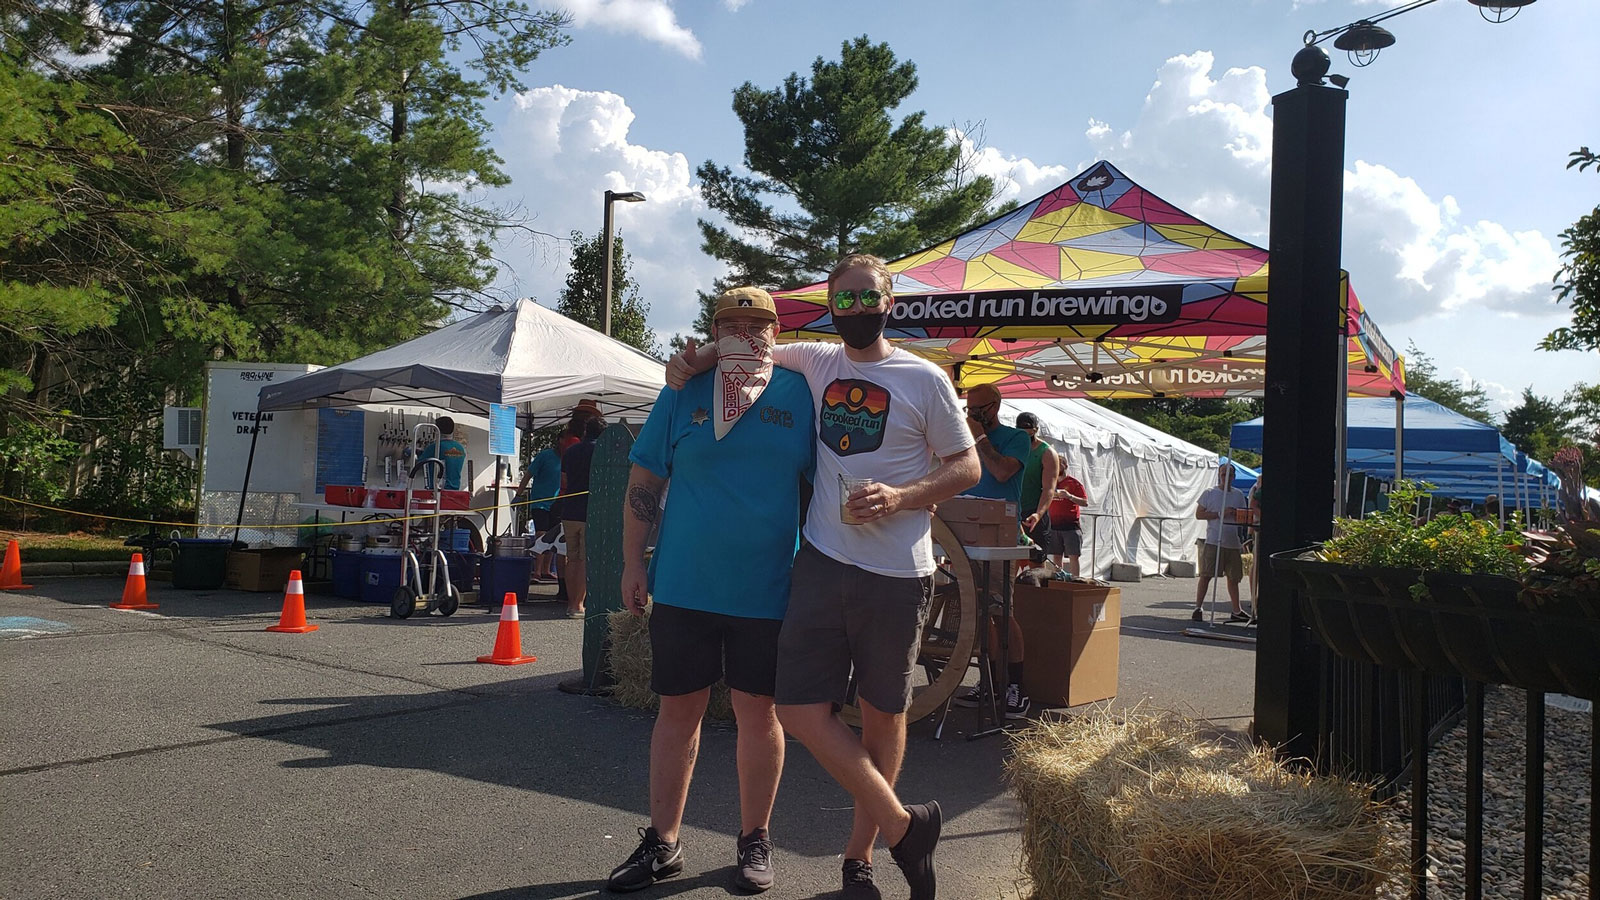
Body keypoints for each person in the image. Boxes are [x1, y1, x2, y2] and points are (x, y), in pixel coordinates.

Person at [667, 254, 981, 900]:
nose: (857, 310)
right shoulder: (817, 362)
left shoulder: (924, 380)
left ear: (890, 303)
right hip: (822, 561)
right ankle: (904, 825)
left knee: (882, 720)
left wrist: (903, 497)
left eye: (870, 299)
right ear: (832, 308)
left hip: (897, 573)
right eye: (846, 301)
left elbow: (967, 467)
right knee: (798, 709)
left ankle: (860, 859)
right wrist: (690, 362)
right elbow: (752, 352)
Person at [607, 287, 816, 894]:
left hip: (769, 586)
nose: (744, 335)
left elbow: (826, 483)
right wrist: (630, 561)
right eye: (730, 323)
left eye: (756, 325)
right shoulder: (681, 392)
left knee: (759, 713)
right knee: (679, 711)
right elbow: (645, 477)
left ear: (776, 332)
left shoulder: (799, 393)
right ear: (714, 328)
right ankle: (663, 842)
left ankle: (755, 838)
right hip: (685, 584)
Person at [956, 384, 1033, 720]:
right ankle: (989, 681)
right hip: (965, 533)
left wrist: (980, 439)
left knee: (1002, 611)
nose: (973, 414)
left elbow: (1003, 472)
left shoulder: (1017, 438)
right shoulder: (966, 435)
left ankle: (1016, 686)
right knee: (977, 613)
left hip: (1000, 536)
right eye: (969, 408)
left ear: (995, 406)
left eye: (979, 408)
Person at [558, 415, 605, 619]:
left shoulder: (570, 451)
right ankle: (580, 604)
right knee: (587, 557)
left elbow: (564, 479)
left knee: (572, 558)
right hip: (591, 510)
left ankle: (571, 604)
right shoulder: (602, 452)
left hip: (569, 509)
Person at [1194, 466, 1250, 624]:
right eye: (1224, 474)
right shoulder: (1210, 493)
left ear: (1234, 476)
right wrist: (1219, 514)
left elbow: (1244, 516)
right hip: (1214, 541)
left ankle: (1236, 610)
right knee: (1206, 574)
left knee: (1234, 577)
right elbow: (1199, 514)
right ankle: (1198, 607)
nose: (1227, 477)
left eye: (1230, 474)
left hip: (1232, 541)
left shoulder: (1238, 494)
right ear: (1219, 475)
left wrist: (1237, 514)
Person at [1014, 412, 1060, 566]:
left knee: (1036, 564)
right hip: (1013, 511)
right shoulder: (1012, 448)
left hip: (1034, 511)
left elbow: (1049, 489)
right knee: (1010, 563)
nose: (1025, 433)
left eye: (1028, 430)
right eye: (1021, 429)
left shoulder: (1046, 452)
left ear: (1035, 430)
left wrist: (1038, 514)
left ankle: (1036, 589)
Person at [517, 443, 562, 583]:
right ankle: (536, 571)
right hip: (540, 502)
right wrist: (519, 494)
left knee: (554, 536)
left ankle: (546, 570)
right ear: (559, 440)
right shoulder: (545, 455)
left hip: (557, 502)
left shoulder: (568, 457)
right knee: (541, 535)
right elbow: (528, 474)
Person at [1047, 463, 1090, 577]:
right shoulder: (1051, 481)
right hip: (1054, 525)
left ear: (1065, 466)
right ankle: (1059, 580)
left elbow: (1085, 502)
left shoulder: (1074, 483)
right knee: (1056, 555)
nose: (1056, 467)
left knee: (1073, 556)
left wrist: (1069, 496)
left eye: (1058, 464)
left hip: (1070, 526)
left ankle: (1076, 580)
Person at [417, 416, 467, 491]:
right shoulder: (460, 448)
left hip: (438, 490)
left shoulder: (435, 446)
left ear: (437, 430)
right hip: (455, 490)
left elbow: (418, 464)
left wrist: (414, 452)